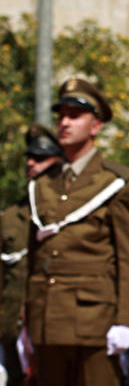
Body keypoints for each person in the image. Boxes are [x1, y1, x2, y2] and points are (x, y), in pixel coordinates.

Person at [24, 78, 129, 385]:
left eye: (74, 116)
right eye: (61, 115)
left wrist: (125, 321)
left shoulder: (118, 182)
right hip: (45, 320)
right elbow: (34, 256)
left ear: (95, 126)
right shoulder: (43, 183)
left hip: (95, 322)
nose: (64, 123)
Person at [0, 124, 64, 385]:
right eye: (29, 157)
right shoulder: (10, 216)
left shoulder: (68, 213)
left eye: (39, 158)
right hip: (11, 332)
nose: (30, 163)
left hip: (57, 327)